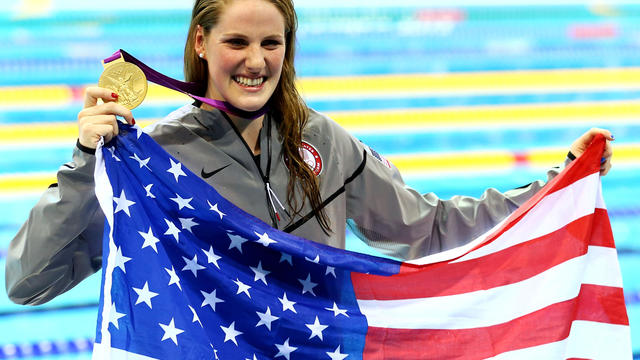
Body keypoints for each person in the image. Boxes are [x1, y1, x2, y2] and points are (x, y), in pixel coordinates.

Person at [5, 0, 613, 306]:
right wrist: (87, 160)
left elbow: (429, 229)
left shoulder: (323, 141)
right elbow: (28, 283)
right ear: (201, 41)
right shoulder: (157, 160)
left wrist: (559, 182)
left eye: (271, 42)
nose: (256, 60)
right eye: (237, 41)